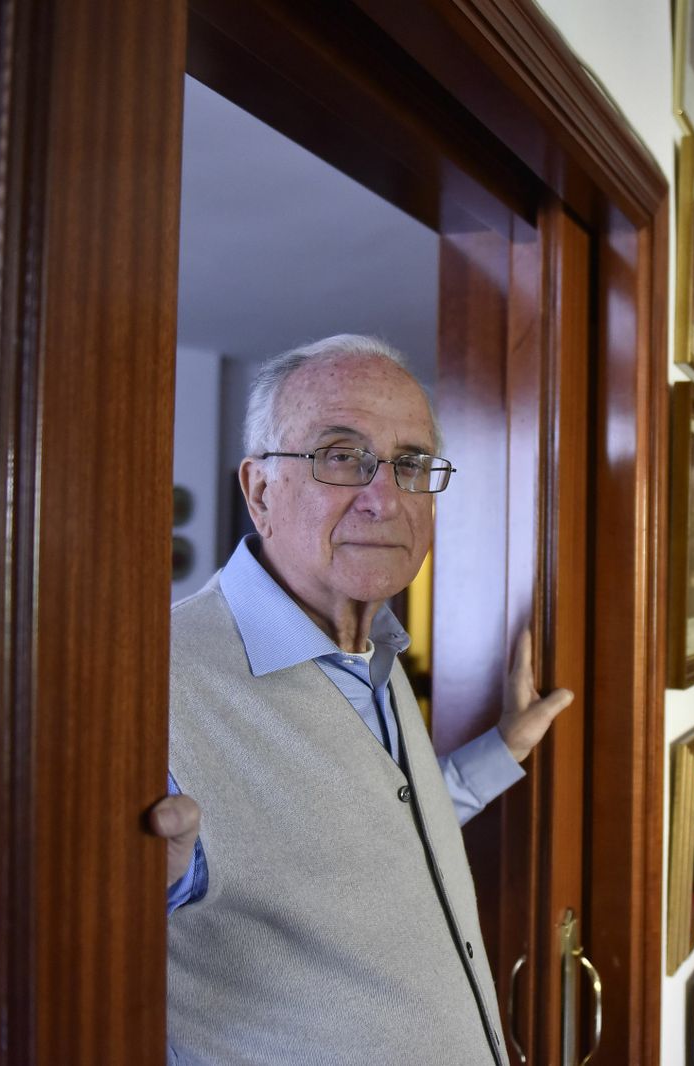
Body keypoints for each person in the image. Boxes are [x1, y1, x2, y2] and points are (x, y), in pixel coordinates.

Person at [148, 335, 573, 1064]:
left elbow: (365, 832)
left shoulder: (372, 647)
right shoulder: (152, 685)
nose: (386, 499)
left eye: (411, 464)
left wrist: (503, 749)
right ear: (259, 491)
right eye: (342, 456)